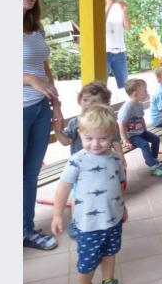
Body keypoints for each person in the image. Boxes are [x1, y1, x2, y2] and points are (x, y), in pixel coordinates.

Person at [51, 105, 127, 284]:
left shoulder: (115, 158)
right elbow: (63, 187)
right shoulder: (77, 160)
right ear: (80, 134)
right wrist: (57, 215)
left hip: (113, 219)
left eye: (102, 138)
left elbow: (117, 185)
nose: (95, 144)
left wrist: (123, 207)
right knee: (87, 260)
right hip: (88, 224)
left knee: (110, 253)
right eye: (89, 138)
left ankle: (108, 281)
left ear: (112, 136)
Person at [53, 80, 125, 239]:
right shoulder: (75, 123)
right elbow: (66, 142)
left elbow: (116, 141)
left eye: (95, 101)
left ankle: (108, 217)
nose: (89, 104)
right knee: (78, 196)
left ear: (104, 104)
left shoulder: (107, 123)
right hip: (80, 170)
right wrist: (58, 131)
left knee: (105, 191)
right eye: (85, 100)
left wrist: (121, 158)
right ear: (79, 101)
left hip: (103, 165)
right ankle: (76, 222)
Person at [23, 0, 63, 251]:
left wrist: (57, 105)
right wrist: (27, 78)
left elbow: (45, 68)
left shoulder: (35, 28)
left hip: (40, 109)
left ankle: (25, 230)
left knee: (30, 173)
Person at [119, 78, 162, 177]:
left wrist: (145, 131)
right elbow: (122, 124)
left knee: (155, 138)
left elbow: (141, 118)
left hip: (141, 132)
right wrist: (125, 139)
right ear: (135, 94)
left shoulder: (140, 104)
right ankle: (153, 167)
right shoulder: (128, 107)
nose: (147, 92)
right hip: (131, 135)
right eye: (144, 90)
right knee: (145, 144)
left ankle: (153, 160)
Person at [105, 0, 131, 90]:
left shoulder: (117, 7)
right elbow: (97, 26)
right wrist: (108, 6)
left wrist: (124, 10)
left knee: (125, 87)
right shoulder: (96, 6)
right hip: (104, 52)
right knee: (101, 87)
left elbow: (128, 27)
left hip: (120, 51)